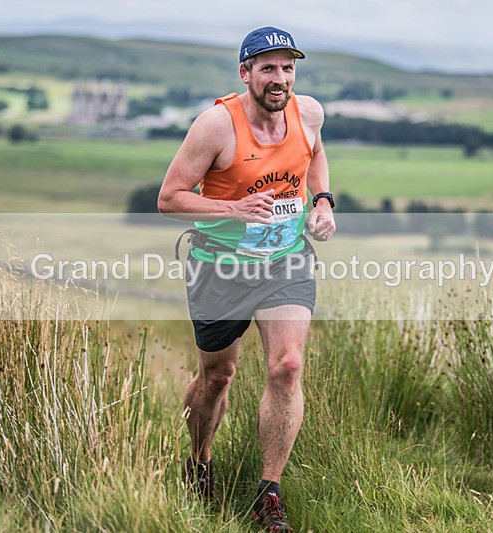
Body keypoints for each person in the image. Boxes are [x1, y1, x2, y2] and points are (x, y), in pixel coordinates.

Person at [158, 25, 335, 532]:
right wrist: (233, 209)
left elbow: (315, 153)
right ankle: (199, 461)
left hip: (286, 261)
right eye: (268, 68)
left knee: (287, 365)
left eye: (288, 67)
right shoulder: (216, 126)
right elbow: (170, 198)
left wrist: (321, 201)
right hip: (220, 265)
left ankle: (268, 493)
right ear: (246, 73)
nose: (280, 78)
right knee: (217, 376)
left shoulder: (309, 113)